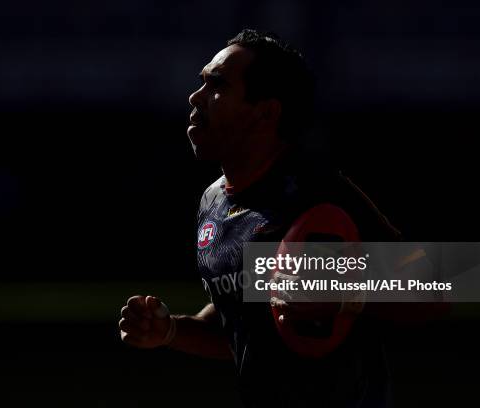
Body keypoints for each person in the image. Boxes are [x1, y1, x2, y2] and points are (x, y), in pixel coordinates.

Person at [119, 29, 402, 407]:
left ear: (266, 112)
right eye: (201, 82)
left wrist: (344, 288)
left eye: (216, 85)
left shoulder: (319, 194)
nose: (195, 97)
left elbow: (442, 281)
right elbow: (240, 323)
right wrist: (170, 331)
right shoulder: (213, 203)